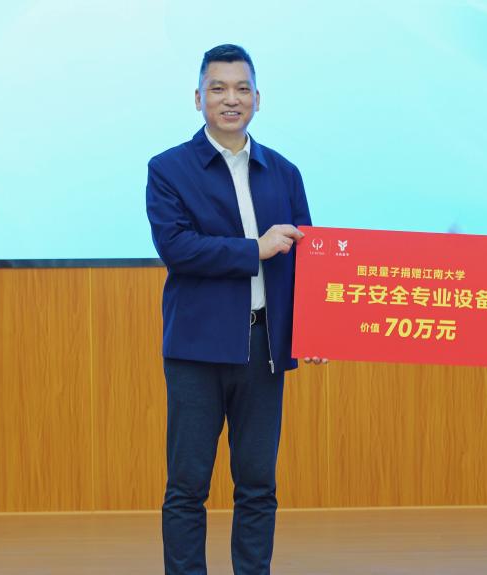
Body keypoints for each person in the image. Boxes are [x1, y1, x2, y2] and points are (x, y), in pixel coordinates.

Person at [146, 44, 325, 575]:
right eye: (219, 88)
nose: (231, 99)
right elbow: (177, 248)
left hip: (262, 346)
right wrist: (255, 249)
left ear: (258, 99)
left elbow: (309, 259)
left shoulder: (284, 172)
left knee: (258, 484)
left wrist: (315, 329)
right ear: (198, 97)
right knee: (187, 485)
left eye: (242, 88)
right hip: (197, 349)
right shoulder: (169, 169)